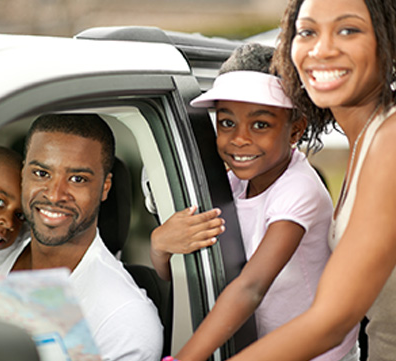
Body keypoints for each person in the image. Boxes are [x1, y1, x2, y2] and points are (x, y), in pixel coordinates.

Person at [154, 43, 359, 361]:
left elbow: (251, 287)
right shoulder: (233, 184)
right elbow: (187, 276)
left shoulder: (298, 191)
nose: (239, 138)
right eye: (226, 123)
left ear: (296, 131)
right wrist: (160, 245)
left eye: (260, 124)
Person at [216, 0, 396, 360]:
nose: (322, 49)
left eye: (348, 29)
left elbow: (332, 321)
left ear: (386, 39)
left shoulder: (389, 140)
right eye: (307, 31)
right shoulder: (365, 139)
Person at [0, 114, 164, 361]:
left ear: (105, 187)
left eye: (77, 179)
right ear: (23, 173)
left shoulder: (123, 317)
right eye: (41, 173)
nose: (55, 195)